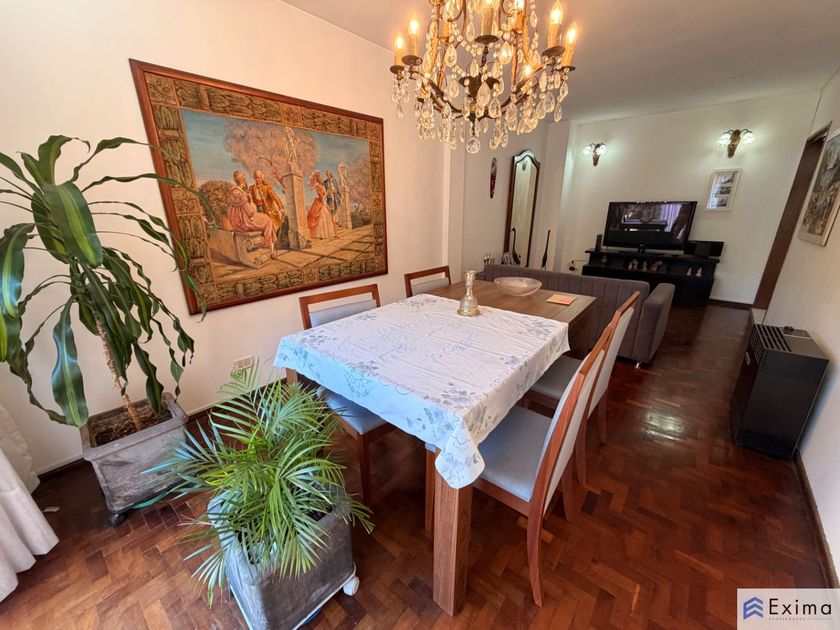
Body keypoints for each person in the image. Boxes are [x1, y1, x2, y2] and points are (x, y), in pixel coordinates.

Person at [227, 171, 276, 249]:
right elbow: (250, 213)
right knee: (268, 220)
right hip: (244, 223)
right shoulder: (241, 195)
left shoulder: (232, 192)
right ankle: (268, 244)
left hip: (235, 222)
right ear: (243, 181)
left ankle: (268, 244)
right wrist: (251, 202)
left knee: (264, 217)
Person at [306, 171, 338, 239]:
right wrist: (326, 194)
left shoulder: (322, 185)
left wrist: (329, 192)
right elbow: (321, 196)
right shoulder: (317, 186)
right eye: (319, 178)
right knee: (322, 217)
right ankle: (321, 234)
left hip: (324, 201)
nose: (321, 178)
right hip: (321, 202)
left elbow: (326, 193)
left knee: (328, 217)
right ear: (317, 179)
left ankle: (330, 233)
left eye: (321, 177)